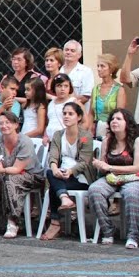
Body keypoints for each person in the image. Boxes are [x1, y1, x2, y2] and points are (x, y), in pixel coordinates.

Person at [83, 108, 139, 247]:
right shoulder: (108, 141)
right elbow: (104, 165)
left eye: (119, 119)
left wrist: (110, 168)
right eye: (113, 119)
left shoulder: (138, 141)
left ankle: (133, 235)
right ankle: (108, 230)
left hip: (137, 178)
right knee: (94, 189)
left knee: (131, 192)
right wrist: (99, 165)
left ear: (128, 123)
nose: (114, 121)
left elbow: (138, 167)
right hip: (113, 178)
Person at [0, 111, 43, 239]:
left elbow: (17, 168)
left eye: (8, 123)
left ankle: (13, 221)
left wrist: (0, 170)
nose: (4, 126)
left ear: (16, 125)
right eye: (1, 124)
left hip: (32, 175)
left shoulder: (25, 142)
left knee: (10, 179)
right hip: (7, 173)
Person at [40, 102, 95, 241]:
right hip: (62, 175)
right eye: (64, 113)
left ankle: (55, 223)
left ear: (79, 117)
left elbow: (84, 162)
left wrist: (71, 171)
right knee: (50, 173)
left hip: (80, 177)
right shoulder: (58, 135)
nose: (66, 116)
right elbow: (53, 155)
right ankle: (64, 198)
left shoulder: (86, 136)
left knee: (54, 185)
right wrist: (54, 168)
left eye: (70, 114)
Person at [86, 53, 125, 139]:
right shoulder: (95, 89)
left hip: (112, 129)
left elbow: (120, 113)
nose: (99, 69)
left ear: (111, 69)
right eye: (98, 66)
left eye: (102, 66)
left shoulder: (119, 89)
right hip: (97, 129)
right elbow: (91, 113)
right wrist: (89, 129)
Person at [60, 40, 96, 105]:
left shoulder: (86, 71)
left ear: (79, 55)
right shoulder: (59, 71)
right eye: (66, 50)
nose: (68, 52)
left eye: (72, 51)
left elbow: (86, 96)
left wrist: (67, 105)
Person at [45, 74, 79, 141]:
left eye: (66, 86)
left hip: (66, 140)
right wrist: (45, 136)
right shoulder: (51, 104)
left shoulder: (74, 102)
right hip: (51, 141)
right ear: (54, 87)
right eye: (59, 86)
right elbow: (49, 122)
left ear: (70, 88)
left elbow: (85, 122)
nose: (62, 89)